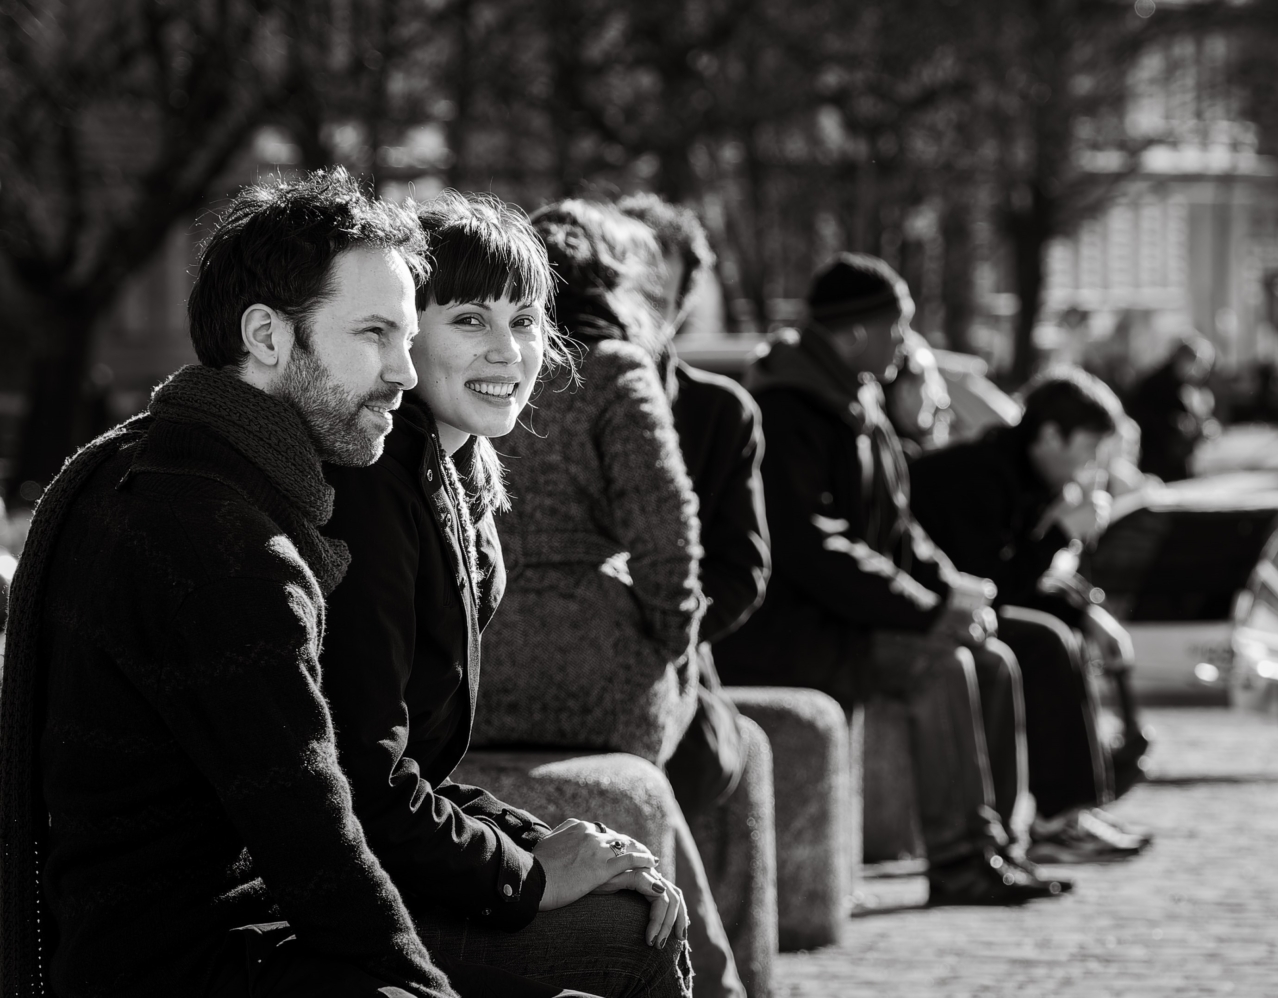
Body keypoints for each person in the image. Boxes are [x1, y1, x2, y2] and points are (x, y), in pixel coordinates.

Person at [1, 170, 470, 997]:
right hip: (196, 963)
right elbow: (311, 838)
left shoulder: (135, 464)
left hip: (138, 943)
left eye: (406, 336)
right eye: (374, 333)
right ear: (265, 336)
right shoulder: (224, 544)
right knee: (610, 952)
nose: (406, 370)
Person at [318, 193, 690, 998]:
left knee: (638, 887)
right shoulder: (376, 489)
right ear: (408, 334)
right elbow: (359, 781)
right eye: (469, 320)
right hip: (327, 903)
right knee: (636, 938)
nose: (507, 351)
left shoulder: (457, 484)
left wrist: (545, 837)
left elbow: (416, 765)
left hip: (389, 855)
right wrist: (527, 873)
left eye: (523, 321)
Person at [714, 252, 1070, 905]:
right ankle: (958, 862)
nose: (907, 342)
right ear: (853, 334)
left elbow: (900, 532)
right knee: (940, 663)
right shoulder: (791, 410)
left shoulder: (858, 402)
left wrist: (959, 592)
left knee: (991, 658)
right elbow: (813, 548)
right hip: (788, 631)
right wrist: (926, 613)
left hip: (845, 617)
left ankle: (994, 846)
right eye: (898, 326)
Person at [471, 200, 745, 998]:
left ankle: (714, 974)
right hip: (599, 678)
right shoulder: (615, 368)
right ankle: (716, 971)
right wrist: (669, 639)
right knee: (704, 723)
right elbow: (670, 537)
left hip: (474, 668)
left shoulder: (464, 364)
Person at [909, 368, 1154, 863]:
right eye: (1086, 449)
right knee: (1044, 641)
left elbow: (1026, 581)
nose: (1090, 466)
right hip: (921, 611)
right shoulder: (978, 475)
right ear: (1048, 436)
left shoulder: (1027, 474)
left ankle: (1073, 810)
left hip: (960, 608)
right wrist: (1061, 532)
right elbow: (996, 584)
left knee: (1059, 630)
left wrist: (1088, 613)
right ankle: (1056, 820)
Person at [615, 192, 766, 823]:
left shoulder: (721, 413)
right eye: (625, 288)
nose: (635, 312)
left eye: (657, 297)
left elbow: (741, 569)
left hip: (672, 641)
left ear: (680, 308)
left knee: (703, 760)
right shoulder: (534, 395)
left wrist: (664, 636)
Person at [1128, 334, 1217, 482]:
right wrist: (1177, 424)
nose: (1197, 370)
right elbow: (1148, 417)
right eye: (1195, 363)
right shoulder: (1156, 384)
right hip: (1156, 457)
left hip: (1173, 458)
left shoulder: (1181, 383)